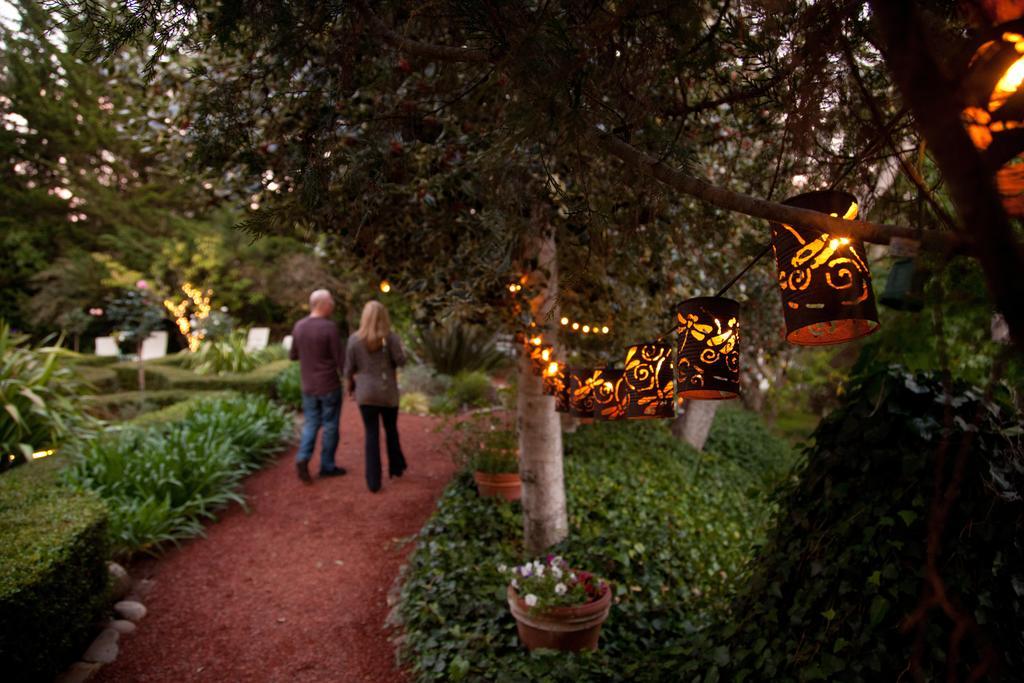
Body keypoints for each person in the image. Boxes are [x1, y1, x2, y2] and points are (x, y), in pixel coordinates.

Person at [345, 300, 407, 492]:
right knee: (391, 430)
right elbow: (401, 361)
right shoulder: (391, 338)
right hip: (387, 391)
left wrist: (351, 385)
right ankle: (396, 467)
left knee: (371, 435)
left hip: (366, 394)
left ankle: (373, 481)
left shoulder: (355, 340)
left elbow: (349, 368)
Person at [289, 289, 347, 484]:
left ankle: (303, 457)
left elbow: (293, 355)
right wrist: (350, 379)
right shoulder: (329, 328)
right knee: (330, 425)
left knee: (311, 423)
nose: (333, 305)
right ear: (322, 304)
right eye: (331, 302)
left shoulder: (299, 326)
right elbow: (341, 360)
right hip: (329, 385)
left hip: (308, 386)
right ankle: (327, 466)